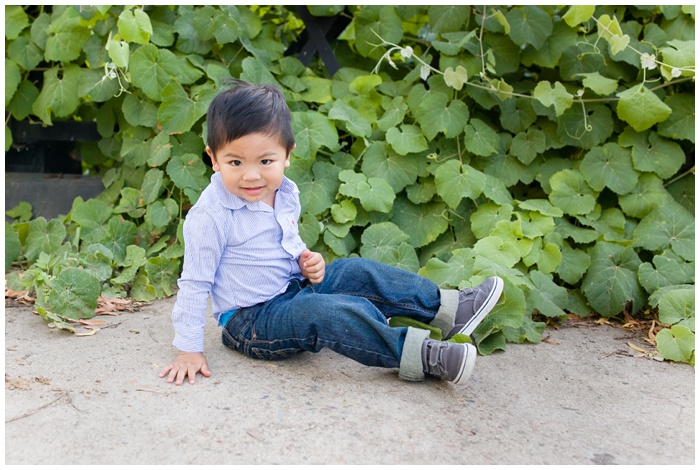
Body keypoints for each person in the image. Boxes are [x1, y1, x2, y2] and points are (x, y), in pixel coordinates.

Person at [159, 79, 504, 387]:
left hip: (293, 289)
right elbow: (195, 283)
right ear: (214, 158)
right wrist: (188, 349)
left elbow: (283, 244)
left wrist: (307, 263)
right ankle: (421, 356)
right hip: (253, 321)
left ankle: (449, 310)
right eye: (236, 162)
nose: (252, 176)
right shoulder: (211, 216)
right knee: (327, 313)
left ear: (286, 155)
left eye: (265, 162)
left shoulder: (284, 192)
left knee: (356, 270)